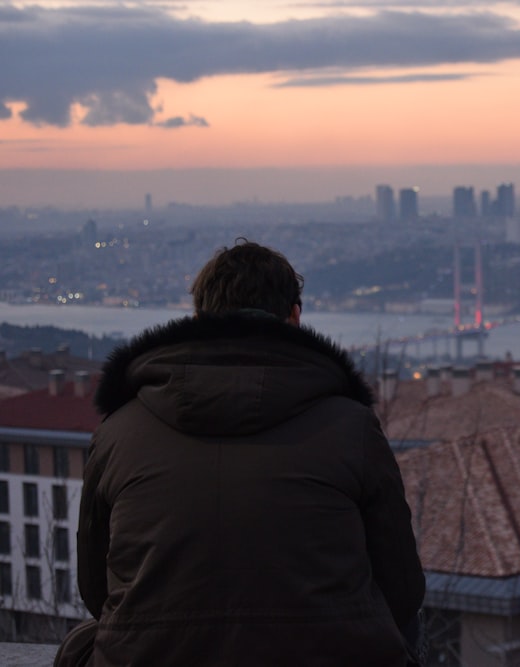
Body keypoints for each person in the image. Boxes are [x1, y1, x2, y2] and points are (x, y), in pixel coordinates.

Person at [55, 239, 425, 666]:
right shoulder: (352, 428)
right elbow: (403, 589)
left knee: (83, 642)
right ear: (295, 317)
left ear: (196, 319)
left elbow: (95, 588)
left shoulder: (119, 431)